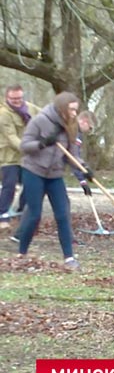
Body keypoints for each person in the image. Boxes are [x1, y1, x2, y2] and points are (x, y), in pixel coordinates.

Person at [14, 92, 91, 270]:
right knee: (34, 214)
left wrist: (84, 170)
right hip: (34, 171)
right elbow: (24, 146)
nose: (74, 113)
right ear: (62, 108)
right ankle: (22, 253)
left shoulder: (71, 125)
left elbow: (72, 154)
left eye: (76, 110)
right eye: (71, 109)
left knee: (63, 214)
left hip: (55, 174)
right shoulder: (40, 120)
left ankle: (69, 258)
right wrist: (42, 143)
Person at [0, 84, 41, 227]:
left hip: (27, 157)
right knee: (9, 185)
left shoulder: (30, 108)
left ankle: (21, 212)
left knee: (30, 184)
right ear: (7, 98)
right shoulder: (4, 113)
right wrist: (31, 148)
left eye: (19, 98)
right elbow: (11, 137)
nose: (17, 101)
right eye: (13, 99)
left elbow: (44, 117)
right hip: (9, 156)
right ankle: (2, 216)